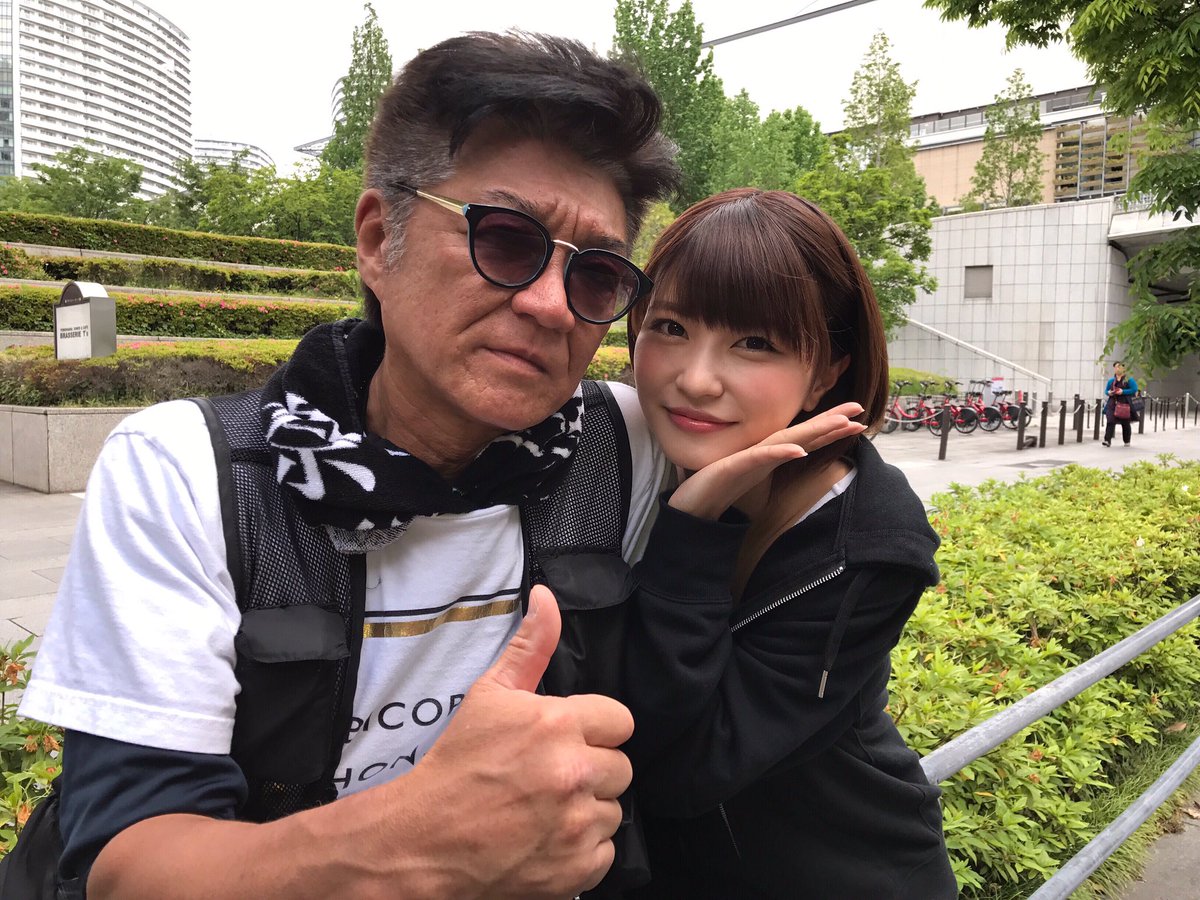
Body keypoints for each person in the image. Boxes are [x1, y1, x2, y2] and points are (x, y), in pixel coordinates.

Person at [15, 32, 684, 900]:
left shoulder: (624, 447)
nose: (553, 306)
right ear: (378, 238)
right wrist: (424, 839)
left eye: (595, 276)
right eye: (505, 239)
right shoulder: (193, 475)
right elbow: (128, 866)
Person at [617, 189, 958, 898]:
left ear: (826, 372)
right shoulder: (614, 458)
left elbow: (682, 774)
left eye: (755, 344)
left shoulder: (864, 544)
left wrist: (693, 527)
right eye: (670, 326)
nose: (695, 379)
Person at [1102, 361, 1139, 447]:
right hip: (1112, 403)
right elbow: (1106, 390)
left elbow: (1134, 389)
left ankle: (1127, 440)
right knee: (1110, 420)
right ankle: (1107, 440)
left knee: (1125, 422)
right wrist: (1109, 392)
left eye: (1119, 367)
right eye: (1115, 367)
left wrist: (1123, 391)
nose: (1117, 369)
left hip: (1124, 403)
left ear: (1123, 368)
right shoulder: (1111, 381)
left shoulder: (1129, 380)